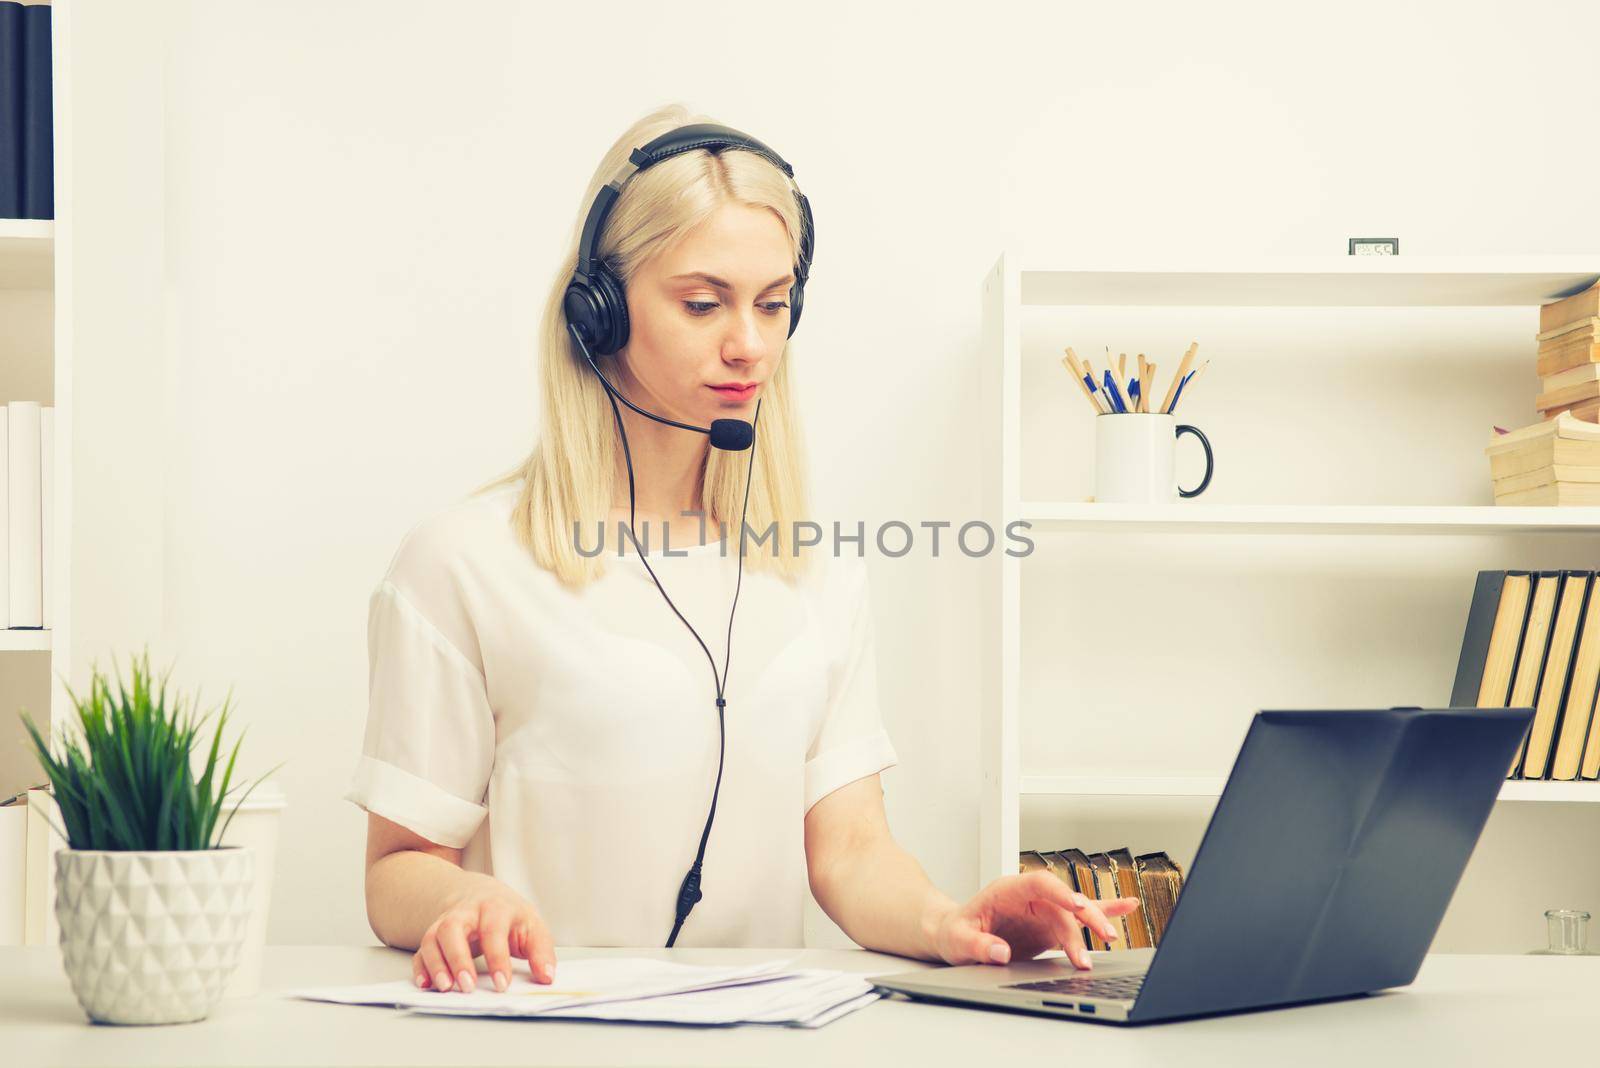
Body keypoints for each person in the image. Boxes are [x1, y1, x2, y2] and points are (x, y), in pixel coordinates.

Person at [347, 103, 1140, 996]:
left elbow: (849, 850)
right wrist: (463, 900)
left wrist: (946, 921)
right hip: (548, 1037)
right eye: (702, 303)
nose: (749, 345)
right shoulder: (461, 562)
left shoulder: (817, 568)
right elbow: (397, 868)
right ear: (597, 311)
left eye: (773, 305)